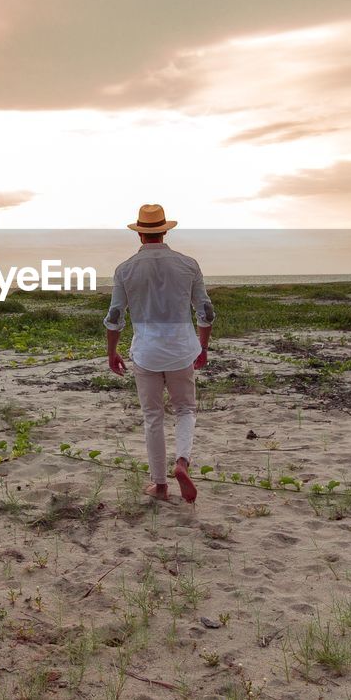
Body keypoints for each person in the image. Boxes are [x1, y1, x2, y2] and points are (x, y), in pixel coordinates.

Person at [104, 204, 214, 503]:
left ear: (140, 234)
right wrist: (203, 346)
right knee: (186, 410)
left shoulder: (125, 269)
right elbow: (205, 310)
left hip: (146, 352)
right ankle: (181, 462)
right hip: (181, 350)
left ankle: (160, 485)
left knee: (152, 416)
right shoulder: (188, 265)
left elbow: (115, 316)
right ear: (165, 231)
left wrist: (112, 351)